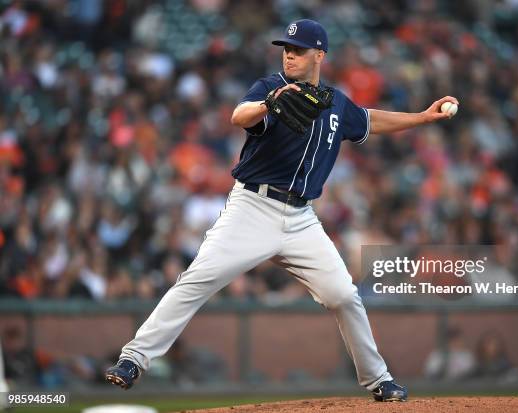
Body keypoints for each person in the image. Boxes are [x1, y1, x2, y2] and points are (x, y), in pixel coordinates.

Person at [106, 19, 458, 402]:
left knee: (343, 295)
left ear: (319, 54)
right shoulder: (271, 87)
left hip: (301, 218)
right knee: (197, 279)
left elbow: (370, 120)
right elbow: (239, 116)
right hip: (253, 207)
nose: (290, 54)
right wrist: (268, 104)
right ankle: (134, 359)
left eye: (299, 49)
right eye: (286, 48)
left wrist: (423, 117)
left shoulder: (336, 102)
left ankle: (379, 380)